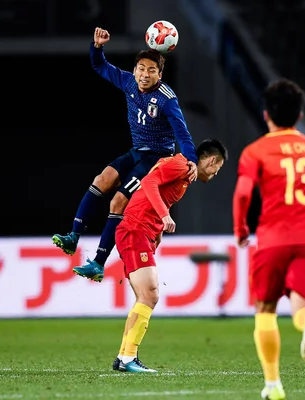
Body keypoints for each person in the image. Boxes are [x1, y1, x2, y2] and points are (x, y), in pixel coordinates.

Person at [52, 27, 198, 283]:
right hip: (136, 152)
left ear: (160, 76)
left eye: (151, 70)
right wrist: (97, 47)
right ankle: (73, 236)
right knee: (101, 179)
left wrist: (191, 160)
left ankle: (98, 262)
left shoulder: (166, 99)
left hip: (156, 160)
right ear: (135, 70)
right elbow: (100, 67)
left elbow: (182, 135)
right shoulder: (129, 82)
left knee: (117, 203)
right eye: (141, 68)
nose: (145, 74)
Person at [232, 79, 305, 400]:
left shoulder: (256, 151)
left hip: (272, 238)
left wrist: (241, 229)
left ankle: (273, 385)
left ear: (266, 114)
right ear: (300, 114)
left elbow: (242, 194)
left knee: (265, 309)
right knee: (303, 304)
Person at [111, 138, 228, 373]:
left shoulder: (185, 173)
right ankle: (127, 358)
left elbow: (158, 191)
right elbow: (149, 182)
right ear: (212, 160)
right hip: (135, 229)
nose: (216, 174)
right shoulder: (182, 165)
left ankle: (125, 355)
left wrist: (158, 229)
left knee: (144, 296)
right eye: (218, 168)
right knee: (150, 294)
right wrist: (164, 216)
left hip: (141, 230)